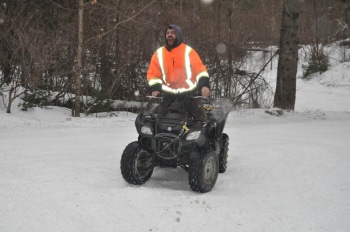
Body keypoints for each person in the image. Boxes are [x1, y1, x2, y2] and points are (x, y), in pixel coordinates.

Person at [147, 24, 210, 123]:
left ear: (179, 35)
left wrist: (204, 85)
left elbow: (200, 69)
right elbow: (153, 74)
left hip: (189, 95)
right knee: (160, 123)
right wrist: (155, 88)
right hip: (167, 96)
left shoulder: (188, 51)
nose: (169, 35)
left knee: (201, 121)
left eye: (172, 33)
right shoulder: (159, 54)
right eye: (167, 33)